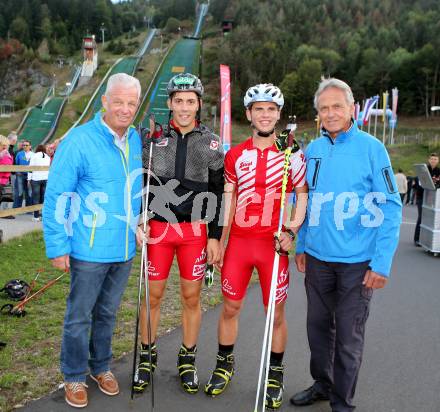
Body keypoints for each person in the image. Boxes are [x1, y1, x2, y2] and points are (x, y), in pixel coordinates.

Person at [290, 78, 402, 412]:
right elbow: (308, 202)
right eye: (323, 108)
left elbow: (391, 207)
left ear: (351, 108)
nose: (330, 113)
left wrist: (381, 264)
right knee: (318, 331)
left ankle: (342, 403)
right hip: (318, 261)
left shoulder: (372, 149)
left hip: (358, 264)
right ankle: (322, 385)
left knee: (349, 339)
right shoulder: (314, 151)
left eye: (336, 106)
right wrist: (302, 246)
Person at [204, 84, 308, 410]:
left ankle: (275, 374)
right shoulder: (235, 155)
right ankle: (224, 364)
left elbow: (301, 195)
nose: (265, 115)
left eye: (271, 109)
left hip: (272, 245)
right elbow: (229, 201)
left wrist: (291, 230)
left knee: (275, 314)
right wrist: (220, 241)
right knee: (230, 307)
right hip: (240, 244)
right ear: (248, 114)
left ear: (279, 115)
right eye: (258, 109)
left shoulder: (292, 153)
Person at [43, 73, 144, 409]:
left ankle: (100, 367)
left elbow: (132, 190)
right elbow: (58, 194)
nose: (125, 109)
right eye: (119, 101)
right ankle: (73, 374)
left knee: (108, 313)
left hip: (124, 248)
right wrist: (58, 246)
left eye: (132, 103)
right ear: (105, 101)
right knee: (79, 316)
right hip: (87, 249)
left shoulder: (134, 140)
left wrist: (138, 222)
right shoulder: (80, 140)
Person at [132, 73, 224, 395]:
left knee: (191, 297)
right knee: (152, 296)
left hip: (194, 232)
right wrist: (139, 218)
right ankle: (147, 356)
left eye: (191, 101)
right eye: (178, 101)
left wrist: (215, 236)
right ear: (170, 103)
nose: (184, 107)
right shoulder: (153, 140)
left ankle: (188, 358)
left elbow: (217, 192)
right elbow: (140, 184)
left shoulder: (212, 143)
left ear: (199, 104)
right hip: (158, 229)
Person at [413, 153, 440, 245]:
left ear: (438, 161)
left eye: (435, 159)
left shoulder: (439, 171)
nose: (433, 161)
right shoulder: (423, 169)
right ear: (429, 160)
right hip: (421, 197)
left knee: (430, 219)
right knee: (421, 217)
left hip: (433, 199)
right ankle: (417, 239)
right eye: (432, 159)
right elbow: (417, 182)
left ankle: (427, 240)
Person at [28, 144, 50, 221]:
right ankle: (43, 215)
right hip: (45, 178)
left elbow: (30, 168)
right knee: (43, 197)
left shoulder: (34, 155)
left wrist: (29, 179)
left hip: (36, 178)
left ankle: (36, 216)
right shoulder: (47, 157)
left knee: (36, 197)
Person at [13, 139, 33, 209]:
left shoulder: (33, 155)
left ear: (30, 146)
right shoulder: (19, 154)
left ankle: (29, 209)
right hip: (20, 175)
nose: (25, 146)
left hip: (30, 176)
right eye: (23, 145)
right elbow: (17, 163)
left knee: (29, 193)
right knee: (19, 192)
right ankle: (16, 208)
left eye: (26, 145)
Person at [0, 135, 14, 218]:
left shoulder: (6, 155)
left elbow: (8, 168)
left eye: (6, 145)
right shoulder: (4, 155)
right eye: (4, 145)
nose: (5, 147)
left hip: (3, 181)